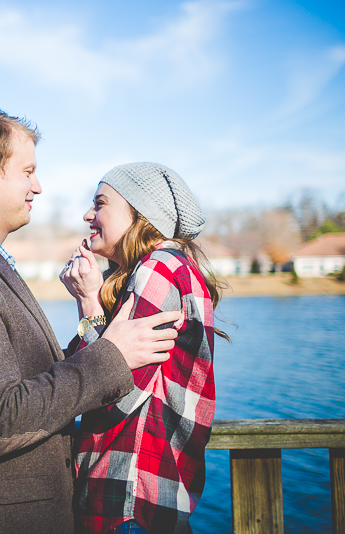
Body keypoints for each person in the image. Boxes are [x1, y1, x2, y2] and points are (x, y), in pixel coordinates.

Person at [0, 109, 183, 534]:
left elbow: (38, 378)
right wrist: (113, 356)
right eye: (28, 171)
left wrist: (93, 316)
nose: (38, 186)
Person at [59, 162, 225, 534]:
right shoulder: (159, 270)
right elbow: (108, 368)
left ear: (139, 213)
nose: (88, 215)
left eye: (100, 204)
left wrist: (88, 303)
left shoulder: (160, 268)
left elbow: (112, 392)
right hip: (136, 506)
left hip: (129, 504)